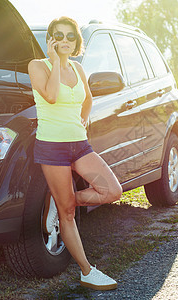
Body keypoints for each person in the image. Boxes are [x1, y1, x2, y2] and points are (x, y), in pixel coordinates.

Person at [28, 16, 122, 290]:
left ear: (77, 41)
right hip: (51, 147)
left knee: (111, 191)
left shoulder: (80, 70)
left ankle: (61, 202)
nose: (65, 41)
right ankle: (86, 271)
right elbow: (52, 96)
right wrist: (56, 61)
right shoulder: (38, 66)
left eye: (71, 36)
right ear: (51, 39)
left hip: (79, 144)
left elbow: (88, 98)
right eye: (59, 35)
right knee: (69, 215)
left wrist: (81, 119)